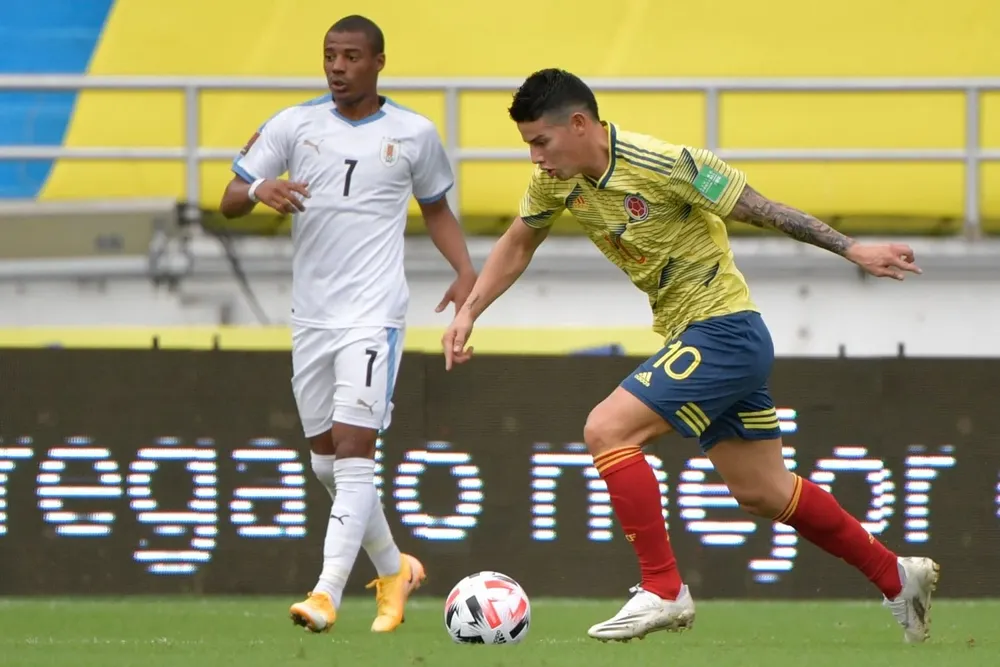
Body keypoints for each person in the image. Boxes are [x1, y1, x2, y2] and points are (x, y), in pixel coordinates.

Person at [441, 68, 939, 644]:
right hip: (701, 339)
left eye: (540, 142)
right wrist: (470, 310)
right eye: (528, 144)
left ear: (579, 124)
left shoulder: (663, 163)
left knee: (606, 429)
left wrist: (853, 248)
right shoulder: (558, 181)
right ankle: (896, 576)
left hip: (724, 331)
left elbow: (760, 208)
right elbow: (519, 240)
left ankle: (664, 589)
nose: (535, 158)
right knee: (763, 490)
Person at [221, 15, 477, 634]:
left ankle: (326, 592)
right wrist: (261, 191)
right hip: (312, 316)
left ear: (379, 62)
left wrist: (467, 274)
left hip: (373, 313)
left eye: (351, 56)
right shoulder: (293, 124)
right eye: (330, 55)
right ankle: (395, 569)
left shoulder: (413, 133)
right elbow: (228, 196)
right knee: (326, 463)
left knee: (356, 447)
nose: (338, 67)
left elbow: (437, 209)